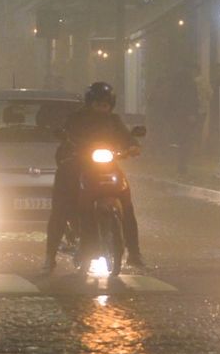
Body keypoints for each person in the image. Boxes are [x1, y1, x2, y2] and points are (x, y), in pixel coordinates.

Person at [42, 81, 145, 273]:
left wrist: (133, 145)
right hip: (77, 165)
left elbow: (126, 136)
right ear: (90, 103)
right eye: (98, 104)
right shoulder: (76, 119)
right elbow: (66, 136)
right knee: (61, 207)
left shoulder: (114, 121)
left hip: (107, 166)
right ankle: (50, 257)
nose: (101, 108)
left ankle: (134, 253)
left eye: (105, 104)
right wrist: (70, 146)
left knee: (127, 204)